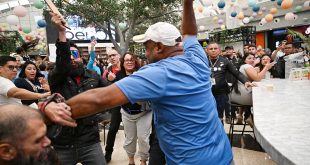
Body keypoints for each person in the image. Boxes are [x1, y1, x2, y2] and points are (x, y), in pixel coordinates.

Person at [51, 0, 233, 164]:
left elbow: (100, 99)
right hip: (223, 154)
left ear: (160, 47)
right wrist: (187, 3)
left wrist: (46, 114)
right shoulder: (196, 56)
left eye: (147, 48)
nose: (145, 54)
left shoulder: (159, 72)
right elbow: (189, 32)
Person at [47, 15, 107, 165]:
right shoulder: (57, 77)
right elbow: (63, 64)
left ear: (81, 57)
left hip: (90, 142)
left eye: (74, 55)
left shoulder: (93, 75)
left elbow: (109, 92)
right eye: (69, 56)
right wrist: (61, 33)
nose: (72, 59)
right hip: (63, 143)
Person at [118, 52, 152, 165]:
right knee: (130, 139)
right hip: (127, 113)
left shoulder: (142, 73)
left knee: (143, 138)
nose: (129, 62)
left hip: (144, 113)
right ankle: (131, 161)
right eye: (126, 60)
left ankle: (143, 161)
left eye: (131, 60)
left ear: (135, 62)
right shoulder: (119, 75)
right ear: (122, 63)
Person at [205, 42, 252, 124]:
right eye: (211, 49)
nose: (213, 50)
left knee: (219, 115)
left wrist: (246, 81)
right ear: (207, 50)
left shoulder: (225, 61)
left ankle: (220, 135)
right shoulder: (202, 61)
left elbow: (236, 73)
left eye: (215, 48)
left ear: (219, 50)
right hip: (206, 93)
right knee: (208, 115)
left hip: (221, 93)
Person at [230, 53, 274, 125]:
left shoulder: (245, 66)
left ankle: (246, 116)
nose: (252, 60)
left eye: (253, 58)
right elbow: (257, 79)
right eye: (249, 58)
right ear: (244, 60)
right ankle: (252, 118)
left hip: (237, 95)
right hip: (243, 96)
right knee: (266, 99)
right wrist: (266, 67)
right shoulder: (247, 66)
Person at [102, 48, 122, 162]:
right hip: (116, 104)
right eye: (110, 56)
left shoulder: (126, 67)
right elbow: (104, 89)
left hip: (131, 103)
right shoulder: (107, 71)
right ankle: (108, 153)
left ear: (118, 55)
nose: (112, 57)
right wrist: (109, 81)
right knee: (113, 128)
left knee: (138, 131)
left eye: (114, 55)